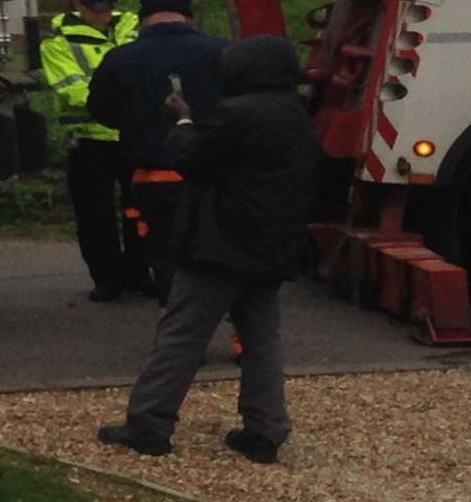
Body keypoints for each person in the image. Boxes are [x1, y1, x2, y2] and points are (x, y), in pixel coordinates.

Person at [96, 35, 318, 464]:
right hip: (272, 245)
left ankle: (149, 425)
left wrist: (181, 121)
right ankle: (265, 431)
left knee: (181, 336)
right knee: (261, 339)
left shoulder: (236, 112)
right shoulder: (295, 112)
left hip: (221, 245)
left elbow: (191, 158)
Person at [85, 0, 226, 301]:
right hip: (217, 175)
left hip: (154, 176)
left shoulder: (121, 58)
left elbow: (99, 109)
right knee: (221, 250)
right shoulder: (223, 51)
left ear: (141, 20)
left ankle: (178, 326)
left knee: (165, 252)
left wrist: (136, 125)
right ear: (188, 18)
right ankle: (239, 331)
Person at [40, 0, 143, 302]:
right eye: (97, 8)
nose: (105, 14)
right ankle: (107, 278)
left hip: (132, 135)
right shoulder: (58, 45)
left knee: (139, 209)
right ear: (78, 6)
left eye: (110, 7)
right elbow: (73, 90)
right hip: (89, 140)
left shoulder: (133, 33)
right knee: (95, 214)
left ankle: (140, 273)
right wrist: (124, 102)